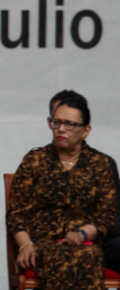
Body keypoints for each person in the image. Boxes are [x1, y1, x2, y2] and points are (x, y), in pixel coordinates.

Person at [7, 97, 116, 289]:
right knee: (63, 256)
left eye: (70, 124)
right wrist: (25, 244)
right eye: (56, 122)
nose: (61, 129)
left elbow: (106, 215)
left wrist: (83, 233)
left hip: (84, 243)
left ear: (85, 130)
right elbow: (16, 213)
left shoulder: (100, 164)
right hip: (41, 242)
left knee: (89, 256)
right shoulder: (35, 160)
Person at [48, 90, 120, 273]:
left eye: (70, 120)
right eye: (57, 118)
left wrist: (88, 232)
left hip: (100, 241)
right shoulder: (37, 165)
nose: (62, 126)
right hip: (56, 241)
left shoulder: (103, 163)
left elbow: (113, 215)